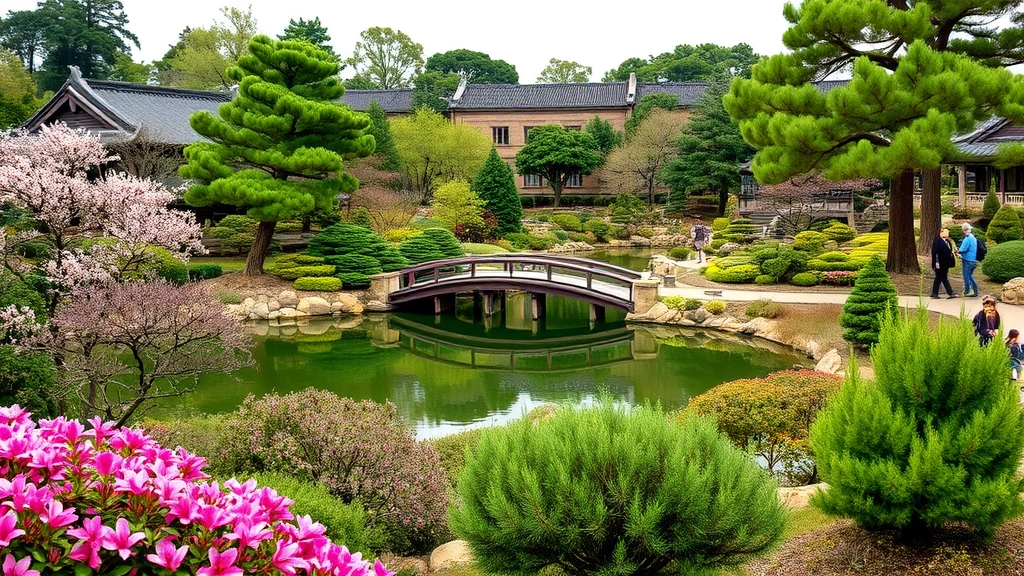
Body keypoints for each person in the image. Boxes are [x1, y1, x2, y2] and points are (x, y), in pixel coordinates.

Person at [930, 228, 959, 299]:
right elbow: (935, 253)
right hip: (940, 263)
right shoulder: (938, 241)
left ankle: (935, 293)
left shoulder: (946, 241)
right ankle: (950, 292)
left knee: (939, 278)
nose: (948, 234)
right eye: (946, 232)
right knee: (942, 277)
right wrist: (936, 262)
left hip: (945, 263)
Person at [958, 223, 980, 297]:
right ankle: (974, 290)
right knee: (970, 275)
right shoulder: (973, 237)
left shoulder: (967, 238)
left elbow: (963, 249)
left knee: (967, 276)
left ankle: (969, 291)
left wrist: (958, 251)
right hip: (973, 259)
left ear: (963, 230)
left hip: (967, 260)